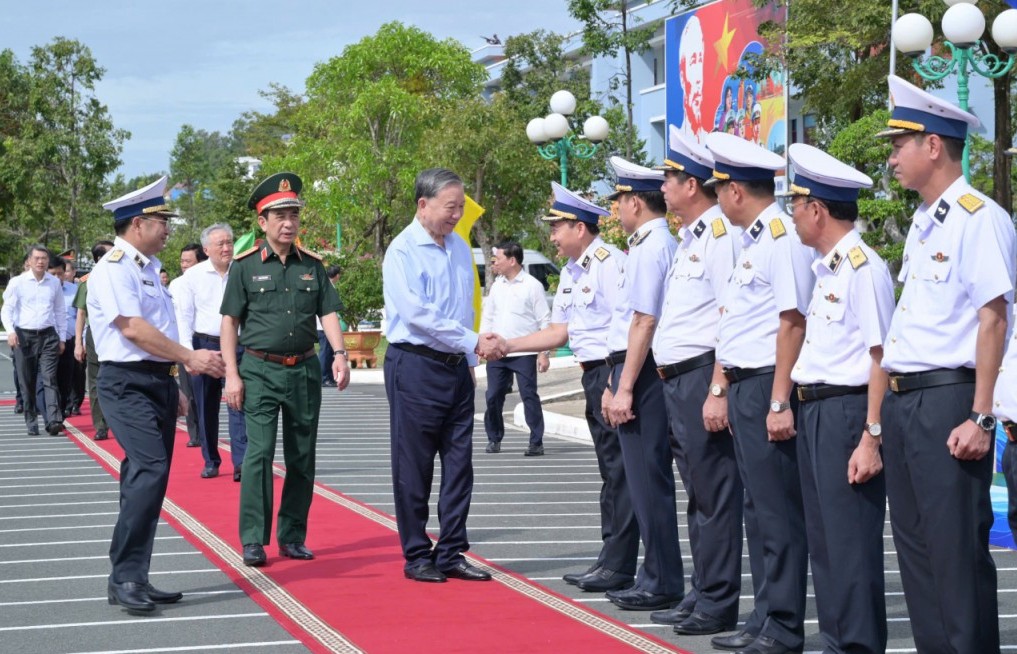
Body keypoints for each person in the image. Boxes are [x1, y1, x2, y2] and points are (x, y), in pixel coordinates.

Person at [877, 75, 1015, 653]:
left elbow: (994, 318)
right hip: (908, 401)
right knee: (917, 552)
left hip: (948, 401)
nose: (891, 159)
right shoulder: (924, 221)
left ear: (933, 145)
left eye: (899, 145)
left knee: (955, 555)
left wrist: (981, 416)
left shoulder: (978, 217)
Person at [88, 175, 225, 615]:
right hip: (125, 383)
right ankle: (124, 576)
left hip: (155, 382)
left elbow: (157, 329)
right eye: (160, 221)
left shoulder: (146, 270)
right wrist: (190, 358)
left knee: (148, 478)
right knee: (148, 470)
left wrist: (171, 379)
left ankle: (133, 576)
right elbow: (133, 328)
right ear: (135, 224)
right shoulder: (113, 268)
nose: (167, 229)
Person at [493, 182, 639, 594]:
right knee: (610, 474)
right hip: (591, 374)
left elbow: (628, 328)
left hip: (612, 370)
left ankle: (621, 563)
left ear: (580, 228)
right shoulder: (574, 273)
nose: (552, 236)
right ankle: (611, 557)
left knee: (621, 474)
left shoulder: (610, 263)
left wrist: (617, 382)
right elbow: (559, 332)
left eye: (557, 227)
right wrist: (509, 345)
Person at [704, 132, 814, 654]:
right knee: (757, 508)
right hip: (746, 385)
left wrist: (777, 400)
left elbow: (792, 321)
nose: (718, 198)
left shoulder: (780, 237)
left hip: (768, 386)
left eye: (720, 188)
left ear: (735, 192)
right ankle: (766, 614)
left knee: (777, 512)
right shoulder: (754, 241)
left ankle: (785, 625)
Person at [785, 143, 894, 654]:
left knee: (850, 544)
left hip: (849, 411)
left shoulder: (861, 268)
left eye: (796, 205)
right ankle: (835, 641)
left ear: (817, 210)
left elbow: (880, 356)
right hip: (816, 411)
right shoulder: (825, 268)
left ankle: (858, 646)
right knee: (826, 543)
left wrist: (871, 435)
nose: (794, 216)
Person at [220, 172, 350, 568]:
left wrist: (340, 354)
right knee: (258, 455)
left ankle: (292, 536)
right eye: (279, 215)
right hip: (259, 370)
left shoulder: (312, 265)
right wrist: (232, 373)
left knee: (301, 456)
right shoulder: (243, 268)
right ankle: (254, 540)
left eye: (293, 214)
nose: (288, 222)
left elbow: (327, 312)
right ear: (262, 222)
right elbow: (229, 323)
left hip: (304, 371)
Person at [648, 126, 742, 636]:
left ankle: (719, 600)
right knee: (698, 495)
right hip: (677, 380)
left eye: (669, 178)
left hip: (703, 375)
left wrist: (719, 386)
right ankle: (703, 590)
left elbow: (733, 314)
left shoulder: (721, 237)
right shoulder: (692, 238)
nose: (662, 188)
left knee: (716, 495)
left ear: (691, 184)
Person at [382, 167, 493, 584]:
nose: (456, 214)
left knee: (460, 464)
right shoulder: (402, 251)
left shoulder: (461, 247)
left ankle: (451, 551)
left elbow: (465, 307)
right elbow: (417, 315)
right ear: (423, 204)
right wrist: (473, 340)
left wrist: (470, 359)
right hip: (416, 366)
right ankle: (416, 554)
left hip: (456, 369)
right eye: (451, 207)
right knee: (415, 467)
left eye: (461, 207)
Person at [600, 156, 684, 612]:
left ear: (635, 201)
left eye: (618, 200)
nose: (616, 209)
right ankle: (657, 574)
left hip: (645, 370)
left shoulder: (652, 247)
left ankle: (662, 578)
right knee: (642, 479)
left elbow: (644, 319)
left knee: (648, 479)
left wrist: (625, 385)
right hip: (636, 366)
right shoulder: (649, 244)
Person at [175, 224, 248, 481]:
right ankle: (211, 460)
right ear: (206, 249)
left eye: (230, 242)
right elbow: (183, 317)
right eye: (221, 244)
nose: (227, 248)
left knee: (238, 402)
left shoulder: (242, 271)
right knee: (205, 407)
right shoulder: (192, 277)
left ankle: (241, 462)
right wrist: (187, 355)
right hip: (204, 345)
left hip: (239, 346)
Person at [479, 241, 550, 456]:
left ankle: (536, 442)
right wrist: (483, 343)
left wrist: (543, 353)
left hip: (524, 352)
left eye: (498, 258)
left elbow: (544, 320)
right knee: (493, 396)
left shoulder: (532, 285)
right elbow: (488, 315)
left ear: (512, 260)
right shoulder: (497, 285)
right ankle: (494, 438)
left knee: (529, 395)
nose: (495, 263)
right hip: (497, 353)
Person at [2, 244, 67, 436]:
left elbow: (60, 312)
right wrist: (11, 332)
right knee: (27, 381)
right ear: (29, 261)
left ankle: (53, 419)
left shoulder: (54, 283)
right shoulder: (17, 282)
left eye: (44, 258)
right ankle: (31, 421)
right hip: (24, 337)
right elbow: (7, 310)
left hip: (48, 336)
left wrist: (61, 338)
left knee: (49, 378)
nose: (40, 261)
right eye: (37, 258)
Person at [74, 241, 114, 440]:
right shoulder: (87, 281)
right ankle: (100, 424)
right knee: (96, 381)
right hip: (96, 334)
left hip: (121, 332)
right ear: (99, 258)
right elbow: (81, 314)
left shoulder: (122, 275)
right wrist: (78, 344)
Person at [169, 243, 205, 448]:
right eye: (182, 261)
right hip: (183, 345)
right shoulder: (176, 285)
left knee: (206, 394)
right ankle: (195, 433)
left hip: (205, 343)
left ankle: (207, 431)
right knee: (188, 391)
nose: (184, 265)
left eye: (188, 262)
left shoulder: (208, 282)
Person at [678, 15, 705, 142]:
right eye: (693, 61)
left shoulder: (709, 141)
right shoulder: (678, 141)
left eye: (701, 60)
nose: (699, 79)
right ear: (682, 76)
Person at [63, 259, 85, 416]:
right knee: (64, 373)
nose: (64, 274)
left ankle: (76, 401)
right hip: (59, 338)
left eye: (67, 271)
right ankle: (66, 404)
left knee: (78, 373)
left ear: (74, 272)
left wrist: (81, 340)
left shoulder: (77, 289)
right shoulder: (54, 289)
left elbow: (82, 316)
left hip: (75, 337)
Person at [318, 265, 341, 387]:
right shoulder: (327, 286)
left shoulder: (329, 285)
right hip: (323, 327)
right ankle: (323, 377)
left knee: (329, 352)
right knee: (325, 352)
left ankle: (330, 377)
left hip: (325, 326)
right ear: (337, 275)